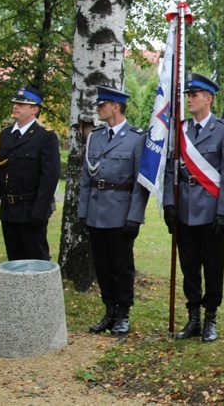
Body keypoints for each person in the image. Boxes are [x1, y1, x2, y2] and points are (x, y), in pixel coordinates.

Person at [163, 73, 224, 342]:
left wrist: (223, 212)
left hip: (211, 210)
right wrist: (168, 204)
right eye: (188, 95)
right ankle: (193, 316)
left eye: (194, 95)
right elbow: (170, 170)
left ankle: (210, 318)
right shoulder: (180, 130)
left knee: (213, 266)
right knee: (189, 266)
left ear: (208, 99)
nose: (189, 99)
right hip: (184, 208)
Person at [79, 85, 149, 336]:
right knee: (102, 265)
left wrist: (134, 216)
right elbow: (87, 177)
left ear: (115, 107)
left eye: (102, 105)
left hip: (120, 212)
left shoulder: (136, 137)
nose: (98, 109)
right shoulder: (95, 137)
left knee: (121, 265)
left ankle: (123, 313)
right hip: (96, 211)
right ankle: (109, 310)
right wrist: (83, 211)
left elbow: (142, 183)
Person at [0, 85, 61, 261]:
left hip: (31, 207)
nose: (16, 106)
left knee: (36, 259)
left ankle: (41, 290)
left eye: (21, 104)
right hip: (9, 208)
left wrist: (40, 211)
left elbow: (50, 177)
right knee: (14, 259)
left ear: (34, 109)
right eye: (15, 103)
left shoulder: (45, 137)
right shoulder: (4, 135)